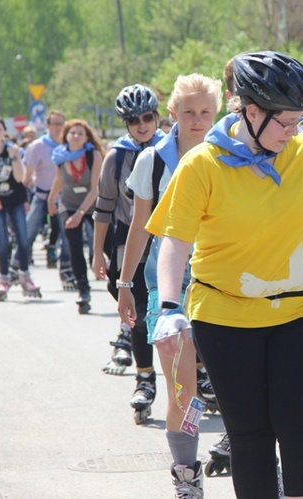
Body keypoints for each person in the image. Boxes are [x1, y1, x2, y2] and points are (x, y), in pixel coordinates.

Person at [146, 51, 303, 499]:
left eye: (300, 121)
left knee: (300, 427)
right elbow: (175, 241)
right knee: (250, 434)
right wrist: (167, 307)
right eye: (285, 122)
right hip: (224, 315)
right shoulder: (202, 164)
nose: (293, 131)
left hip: (301, 309)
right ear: (251, 112)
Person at [114, 73, 223, 495]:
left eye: (205, 113)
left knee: (236, 378)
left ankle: (249, 449)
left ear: (217, 113)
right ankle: (186, 472)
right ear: (173, 113)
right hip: (167, 284)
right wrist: (125, 284)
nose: (197, 121)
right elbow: (140, 227)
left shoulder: (230, 154)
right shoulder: (153, 160)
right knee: (181, 383)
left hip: (224, 281)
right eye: (189, 112)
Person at [92, 84, 164, 418]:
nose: (142, 125)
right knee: (134, 308)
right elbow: (103, 209)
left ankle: (201, 371)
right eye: (134, 120)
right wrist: (96, 254)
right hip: (130, 235)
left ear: (157, 116)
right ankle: (145, 379)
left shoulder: (173, 149)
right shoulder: (116, 157)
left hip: (170, 235)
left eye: (147, 117)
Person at [0, 116, 42, 301]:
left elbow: (20, 178)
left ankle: (25, 275)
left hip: (15, 200)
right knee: (2, 241)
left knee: (22, 238)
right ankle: (4, 277)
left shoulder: (13, 150)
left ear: (4, 131)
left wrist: (14, 158)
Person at [47, 119, 104, 313]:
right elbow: (59, 180)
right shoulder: (60, 156)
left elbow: (96, 187)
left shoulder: (93, 155)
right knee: (74, 245)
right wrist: (50, 198)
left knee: (107, 243)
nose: (76, 136)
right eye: (73, 133)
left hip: (92, 204)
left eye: (80, 133)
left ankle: (120, 282)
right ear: (66, 136)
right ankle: (83, 291)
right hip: (69, 204)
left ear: (87, 137)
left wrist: (81, 213)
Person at [12, 111, 72, 280]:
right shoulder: (37, 146)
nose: (59, 127)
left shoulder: (69, 145)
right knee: (28, 231)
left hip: (63, 197)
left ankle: (66, 268)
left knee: (67, 234)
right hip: (41, 195)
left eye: (61, 123)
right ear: (48, 125)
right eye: (55, 124)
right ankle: (15, 266)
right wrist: (26, 197)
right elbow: (27, 175)